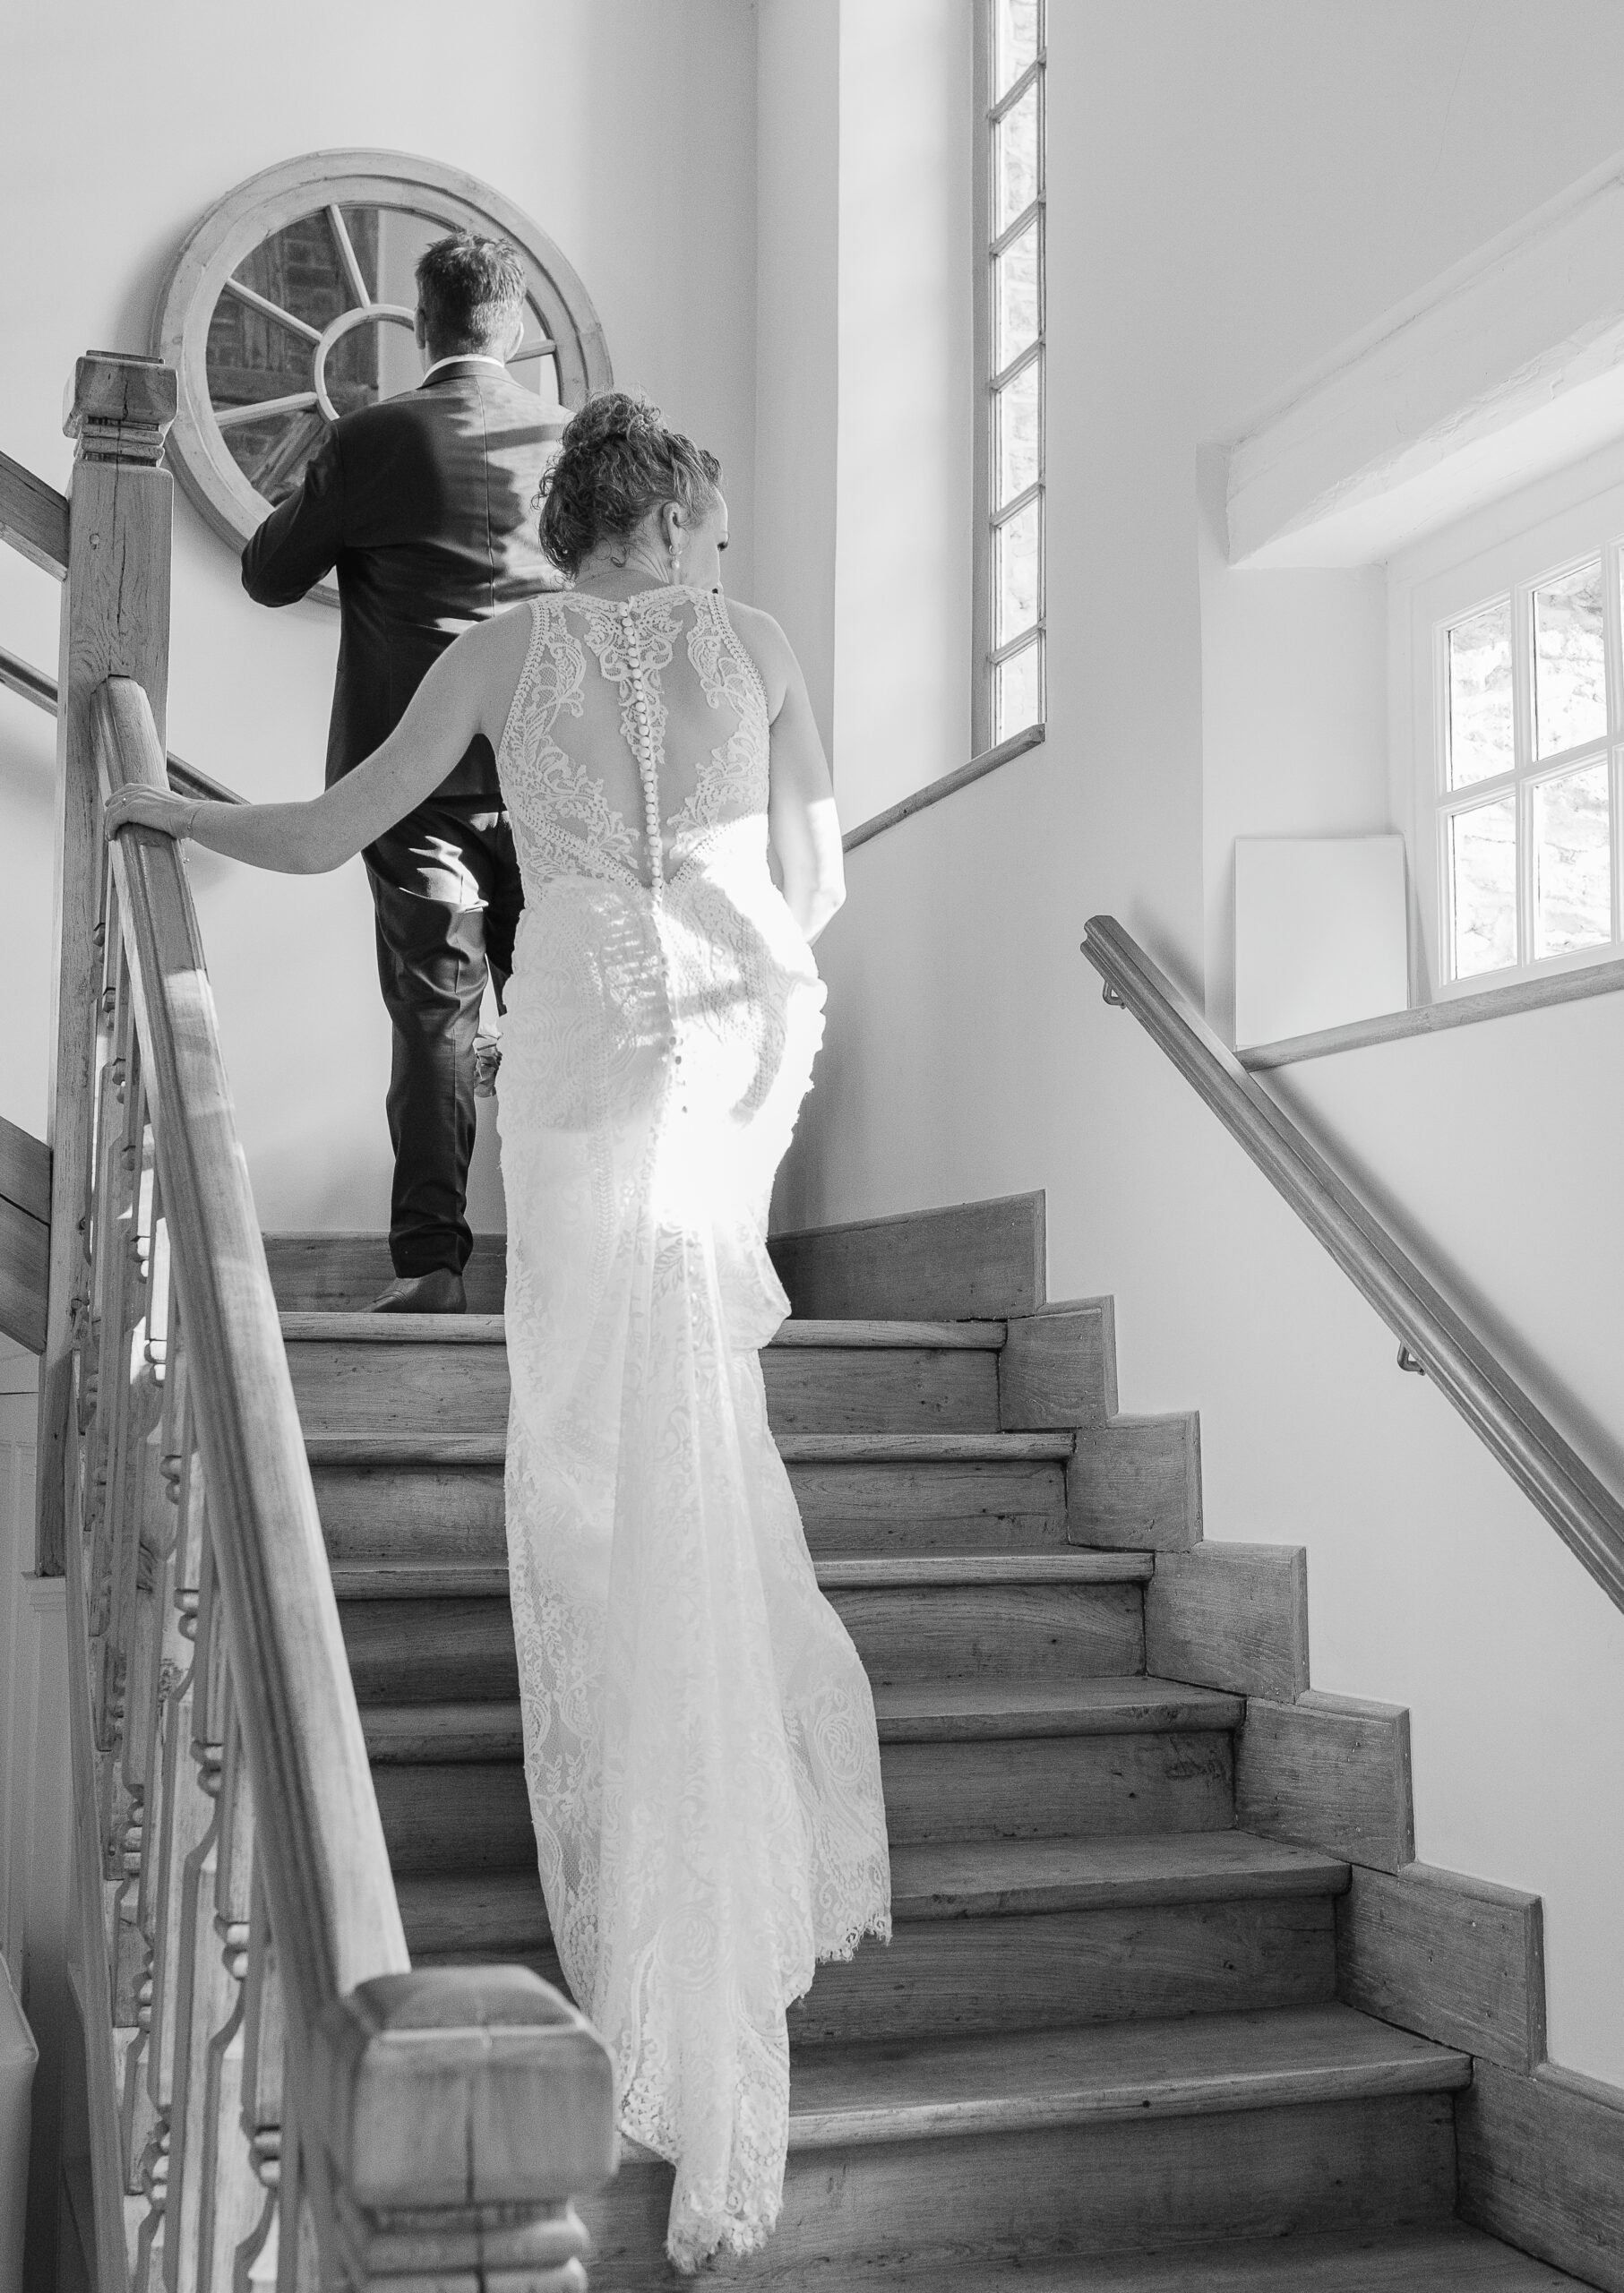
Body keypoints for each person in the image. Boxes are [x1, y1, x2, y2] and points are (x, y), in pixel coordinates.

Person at [107, 391, 892, 2272]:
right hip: (734, 1011)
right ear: (681, 517)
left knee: (599, 1408)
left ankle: (638, 1720)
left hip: (595, 1029)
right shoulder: (762, 643)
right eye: (699, 529)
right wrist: (743, 972)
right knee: (695, 1370)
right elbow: (822, 882)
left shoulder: (492, 652)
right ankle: (701, 1759)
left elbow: (331, 832)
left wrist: (161, 802)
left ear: (569, 519)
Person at [242, 230, 565, 1313]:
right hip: (551, 777)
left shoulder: (371, 439)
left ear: (420, 326)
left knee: (436, 1013)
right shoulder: (571, 447)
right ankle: (586, 1256)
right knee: (571, 1009)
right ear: (511, 326)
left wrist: (316, 465)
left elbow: (270, 576)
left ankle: (433, 1264)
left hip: (408, 780)